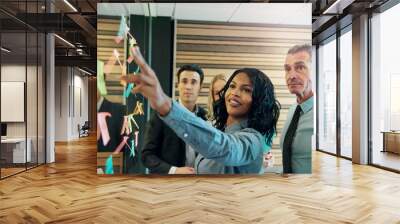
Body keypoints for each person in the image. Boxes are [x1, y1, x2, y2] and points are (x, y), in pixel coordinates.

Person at [123, 46, 280, 174]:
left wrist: (166, 105)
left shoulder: (253, 140)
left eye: (246, 90)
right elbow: (147, 155)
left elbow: (225, 147)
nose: (235, 93)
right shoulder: (217, 126)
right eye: (232, 86)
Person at [141, 64, 207, 174]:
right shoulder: (162, 114)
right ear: (178, 85)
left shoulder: (205, 117)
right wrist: (174, 171)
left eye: (194, 82)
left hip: (199, 182)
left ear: (200, 87)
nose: (188, 87)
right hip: (169, 183)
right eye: (184, 81)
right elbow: (147, 156)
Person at [280, 44, 314, 174]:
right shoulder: (293, 110)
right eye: (288, 69)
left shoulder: (320, 115)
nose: (291, 75)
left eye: (300, 67)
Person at [195, 74, 227, 174]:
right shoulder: (207, 125)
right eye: (217, 93)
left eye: (224, 91)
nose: (221, 97)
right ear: (212, 97)